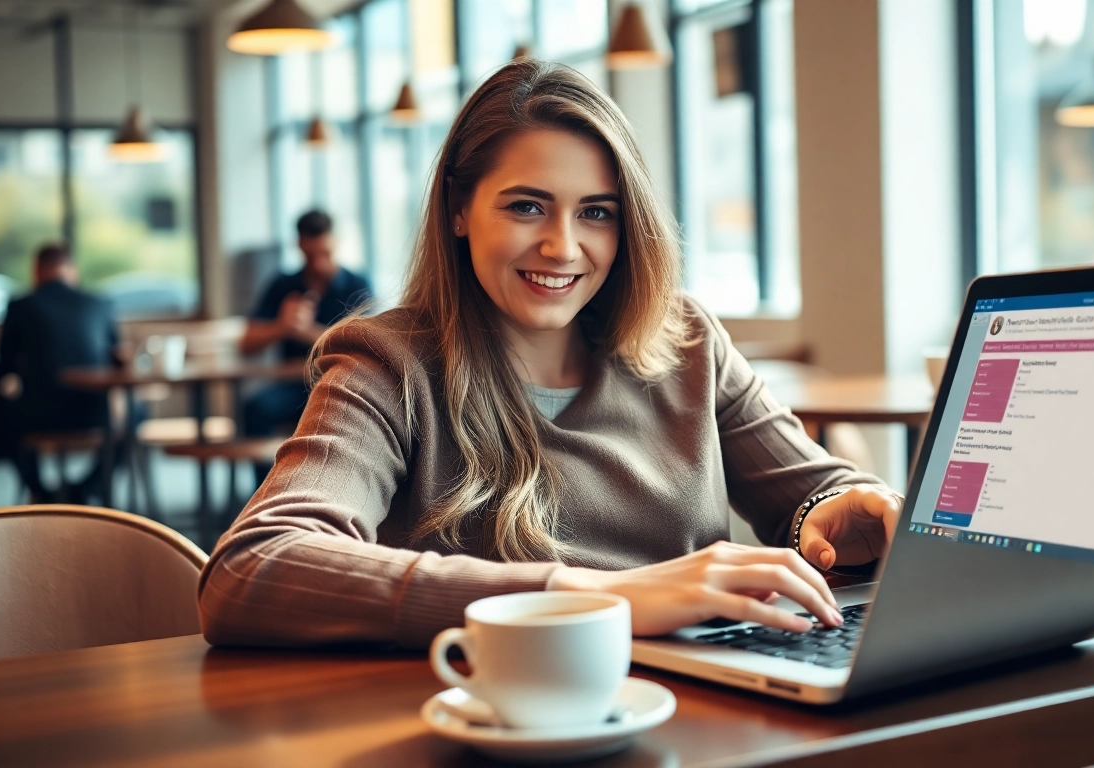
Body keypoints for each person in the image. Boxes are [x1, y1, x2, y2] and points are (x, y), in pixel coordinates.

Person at [198, 60, 903, 649]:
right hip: (508, 724)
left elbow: (813, 491)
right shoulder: (387, 365)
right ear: (458, 209)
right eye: (527, 206)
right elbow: (253, 566)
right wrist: (590, 596)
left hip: (707, 716)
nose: (563, 246)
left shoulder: (685, 339)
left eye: (596, 211)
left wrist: (837, 510)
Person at [240, 210, 372, 482]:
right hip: (294, 387)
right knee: (255, 409)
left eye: (326, 253)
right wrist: (281, 325)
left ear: (335, 242)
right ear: (299, 245)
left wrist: (306, 331)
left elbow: (365, 346)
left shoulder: (357, 285)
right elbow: (246, 344)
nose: (321, 264)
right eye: (313, 256)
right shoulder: (283, 284)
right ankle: (266, 493)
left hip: (341, 384)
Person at [0, 243, 121, 503]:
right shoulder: (100, 304)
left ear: (36, 271)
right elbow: (117, 361)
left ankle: (39, 490)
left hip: (37, 416)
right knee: (135, 413)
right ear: (71, 271)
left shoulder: (20, 307)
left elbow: (3, 369)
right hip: (96, 414)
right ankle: (88, 488)